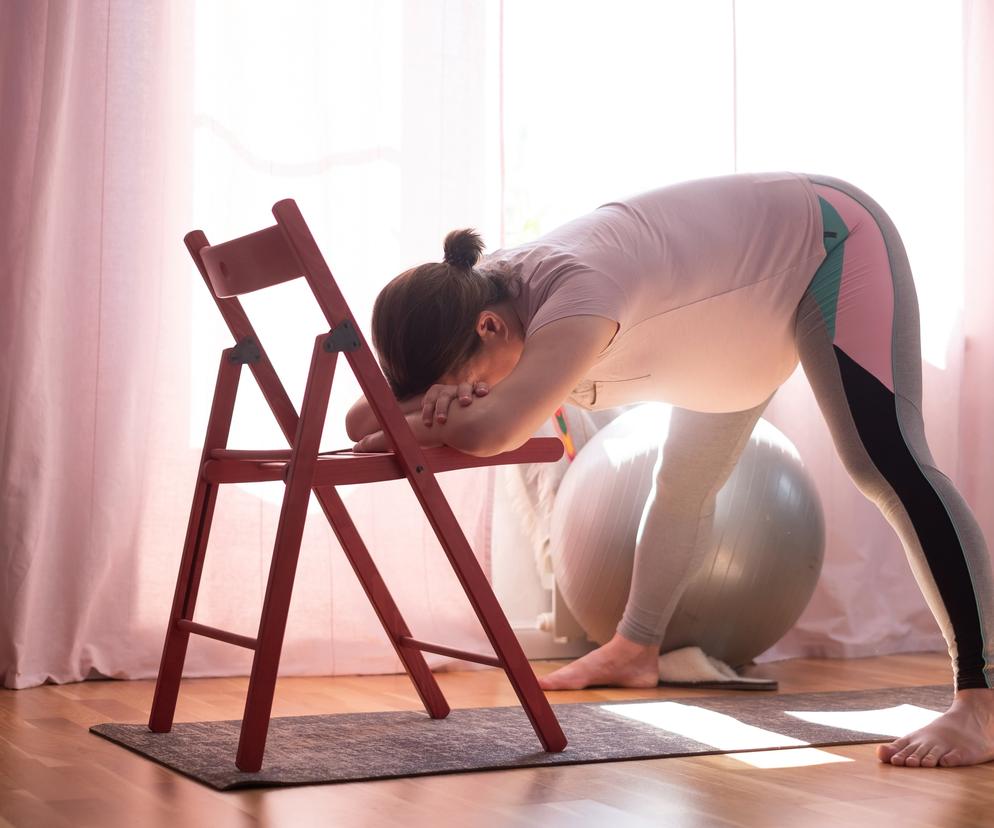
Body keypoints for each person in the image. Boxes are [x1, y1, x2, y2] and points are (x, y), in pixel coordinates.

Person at [345, 172, 994, 769]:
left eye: (461, 385)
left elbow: (495, 429)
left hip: (826, 248)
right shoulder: (469, 301)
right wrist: (427, 406)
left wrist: (421, 418)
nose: (461, 400)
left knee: (883, 459)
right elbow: (357, 417)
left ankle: (984, 701)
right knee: (682, 481)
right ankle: (636, 649)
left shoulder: (576, 293)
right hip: (731, 325)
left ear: (489, 327)